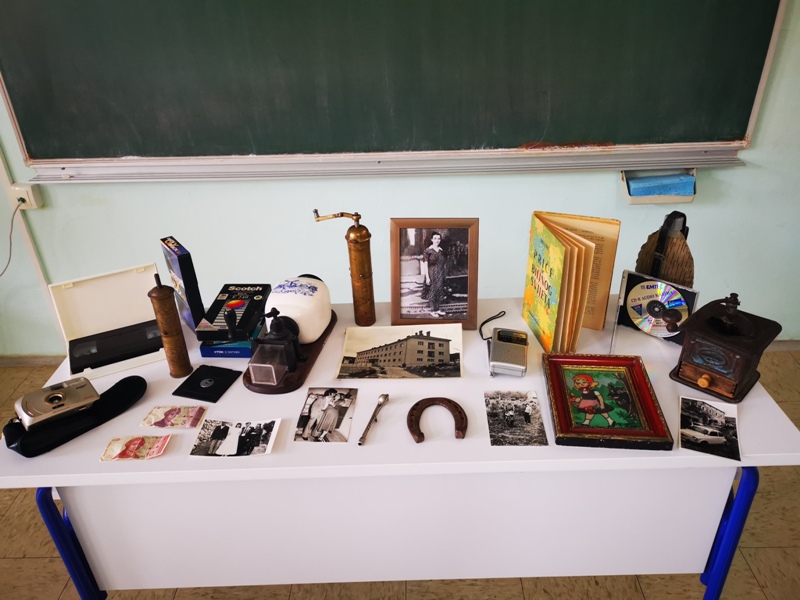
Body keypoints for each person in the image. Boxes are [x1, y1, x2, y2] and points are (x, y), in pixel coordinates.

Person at [422, 232, 447, 317]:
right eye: (435, 238)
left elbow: (443, 263)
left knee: (439, 291)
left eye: (439, 239)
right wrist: (427, 277)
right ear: (432, 239)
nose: (437, 240)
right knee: (432, 292)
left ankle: (437, 309)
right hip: (431, 273)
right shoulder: (428, 251)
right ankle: (433, 311)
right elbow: (425, 265)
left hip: (440, 273)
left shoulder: (441, 250)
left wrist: (444, 274)